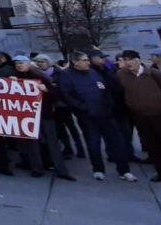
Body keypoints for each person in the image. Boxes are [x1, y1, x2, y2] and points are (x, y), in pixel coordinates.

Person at [57, 50, 136, 182]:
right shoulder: (66, 75)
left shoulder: (93, 72)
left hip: (106, 114)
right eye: (84, 60)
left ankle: (124, 170)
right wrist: (83, 108)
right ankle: (98, 169)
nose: (88, 62)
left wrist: (109, 104)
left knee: (117, 142)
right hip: (87, 116)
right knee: (93, 143)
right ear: (75, 62)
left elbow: (104, 89)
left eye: (88, 60)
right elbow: (66, 95)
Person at [13, 56, 74, 180]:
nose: (19, 65)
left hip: (45, 115)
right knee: (32, 143)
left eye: (21, 63)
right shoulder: (15, 78)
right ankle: (37, 168)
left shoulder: (40, 77)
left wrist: (45, 89)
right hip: (28, 116)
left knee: (52, 143)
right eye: (17, 64)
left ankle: (61, 170)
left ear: (28, 63)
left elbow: (55, 95)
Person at [116, 49, 161, 182]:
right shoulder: (121, 75)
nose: (129, 63)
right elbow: (120, 94)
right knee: (152, 145)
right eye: (126, 60)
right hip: (140, 117)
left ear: (139, 60)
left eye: (132, 59)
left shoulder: (153, 73)